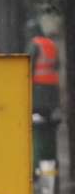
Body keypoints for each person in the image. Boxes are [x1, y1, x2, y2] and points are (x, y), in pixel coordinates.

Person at [26, 20, 61, 174]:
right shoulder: (51, 44)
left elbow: (28, 66)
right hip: (52, 91)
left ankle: (37, 167)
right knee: (48, 127)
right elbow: (57, 65)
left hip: (38, 92)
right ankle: (50, 166)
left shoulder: (34, 44)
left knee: (37, 125)